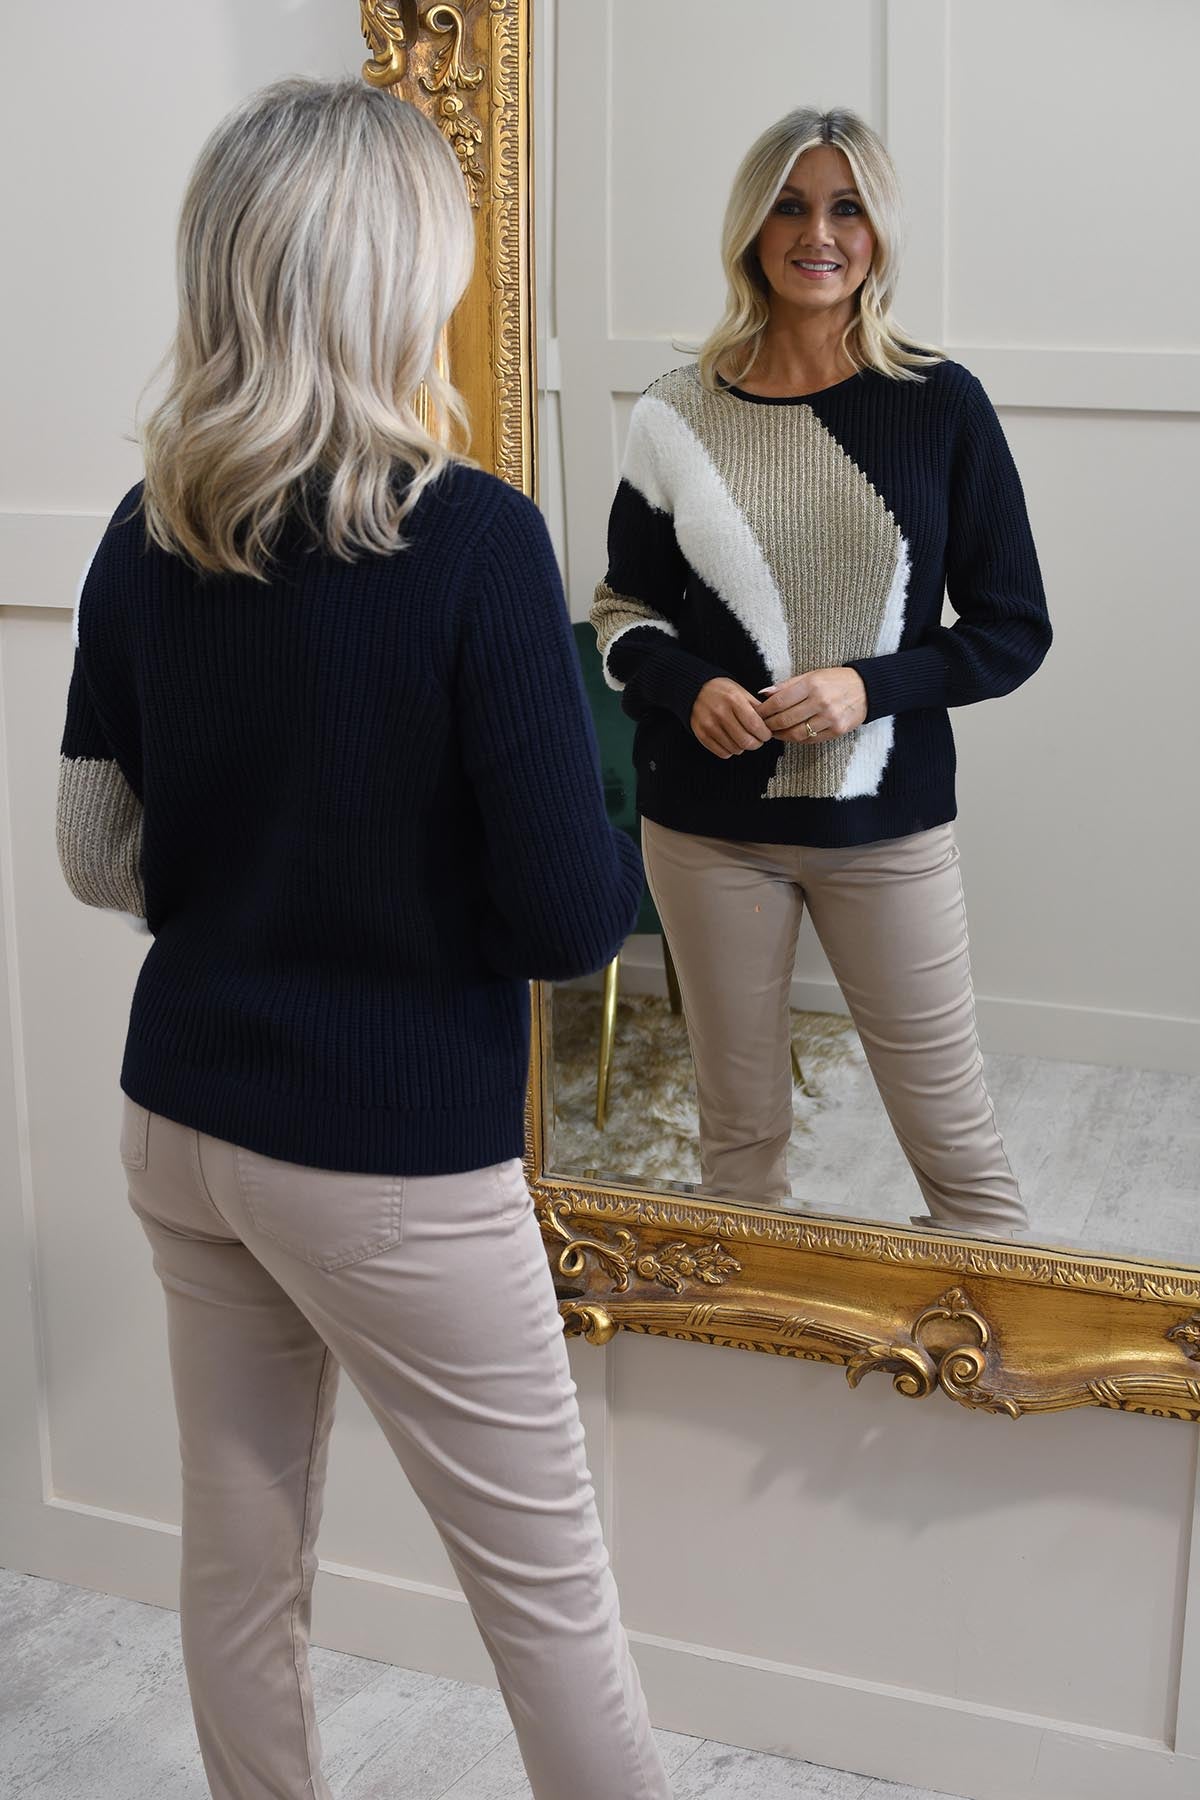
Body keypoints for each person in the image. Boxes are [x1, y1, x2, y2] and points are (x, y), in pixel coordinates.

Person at [56, 78, 673, 1800]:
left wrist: (265, 872)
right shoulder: (473, 539)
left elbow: (95, 854)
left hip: (185, 1123)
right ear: (401, 278)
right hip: (391, 1161)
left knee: (239, 1571)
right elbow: (569, 921)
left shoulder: (144, 527)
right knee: (553, 1611)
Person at [590, 106, 1051, 1236]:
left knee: (962, 1159)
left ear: (879, 229)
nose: (819, 233)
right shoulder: (675, 411)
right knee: (737, 1144)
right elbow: (623, 612)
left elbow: (1012, 627)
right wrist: (685, 684)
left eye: (848, 207)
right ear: (751, 227)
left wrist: (869, 687)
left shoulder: (940, 403)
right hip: (706, 832)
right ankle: (748, 1338)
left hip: (886, 829)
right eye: (790, 206)